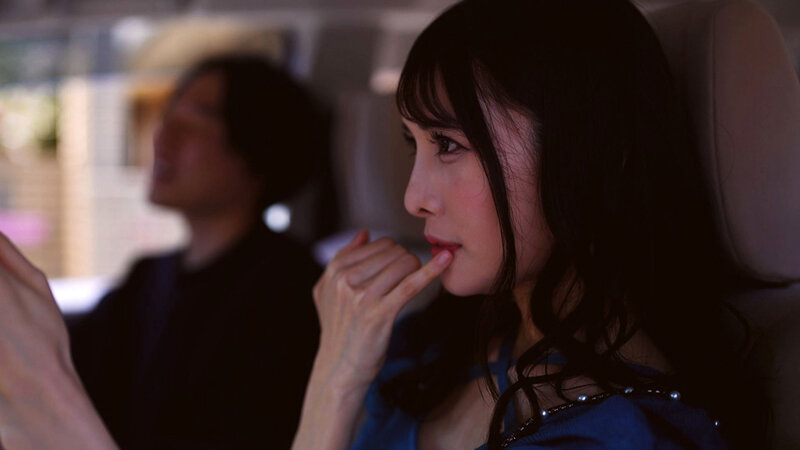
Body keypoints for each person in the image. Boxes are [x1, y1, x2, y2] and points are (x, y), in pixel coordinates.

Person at [0, 1, 767, 449]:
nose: (412, 197)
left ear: (587, 151)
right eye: (412, 145)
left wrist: (55, 415)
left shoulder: (620, 432)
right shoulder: (433, 340)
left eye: (449, 146)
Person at [66, 54, 327, 449]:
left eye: (195, 122)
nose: (163, 137)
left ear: (256, 148)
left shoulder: (295, 294)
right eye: (168, 117)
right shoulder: (146, 277)